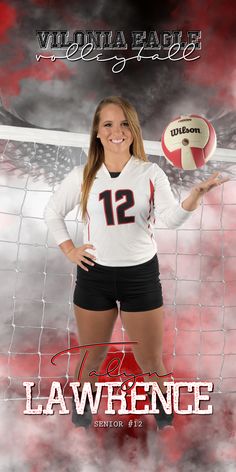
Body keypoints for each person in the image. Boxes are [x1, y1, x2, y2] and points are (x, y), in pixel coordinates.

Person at [44, 96, 227, 430]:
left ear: (134, 130)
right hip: (94, 276)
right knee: (93, 357)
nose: (118, 131)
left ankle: (165, 421)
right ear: (97, 132)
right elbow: (52, 212)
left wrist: (195, 196)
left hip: (140, 275)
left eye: (125, 123)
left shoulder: (149, 172)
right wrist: (70, 250)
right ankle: (82, 422)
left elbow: (170, 219)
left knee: (150, 360)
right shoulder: (83, 174)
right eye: (109, 124)